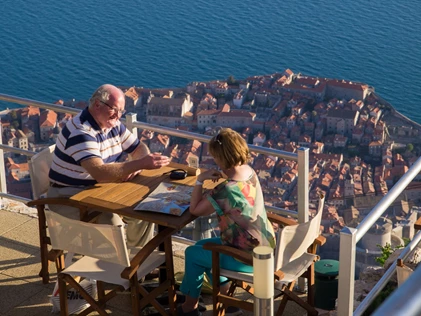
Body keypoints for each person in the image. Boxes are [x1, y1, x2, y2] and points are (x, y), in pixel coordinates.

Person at [47, 83, 170, 247]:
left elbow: (139, 148)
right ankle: (112, 266)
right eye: (115, 110)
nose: (118, 116)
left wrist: (138, 165)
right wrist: (140, 163)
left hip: (99, 191)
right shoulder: (81, 132)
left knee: (143, 213)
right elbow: (100, 172)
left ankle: (136, 260)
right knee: (112, 224)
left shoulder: (112, 124)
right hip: (68, 197)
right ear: (97, 104)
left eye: (121, 111)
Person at [178, 128, 276, 316]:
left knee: (192, 253)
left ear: (221, 159)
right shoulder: (249, 171)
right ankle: (228, 302)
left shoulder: (224, 190)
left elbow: (195, 210)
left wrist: (199, 181)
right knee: (201, 245)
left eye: (215, 157)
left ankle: (188, 308)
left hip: (247, 257)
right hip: (264, 244)